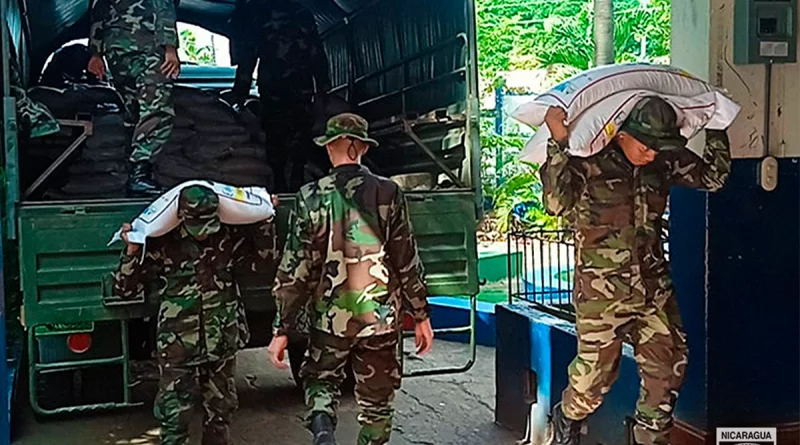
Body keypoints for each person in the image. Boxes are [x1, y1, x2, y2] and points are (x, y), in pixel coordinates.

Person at [540, 97, 731, 445]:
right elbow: (555, 204)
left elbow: (714, 177)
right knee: (592, 384)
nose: (651, 154)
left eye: (659, 147)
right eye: (646, 145)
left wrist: (718, 124)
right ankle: (567, 417)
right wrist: (560, 142)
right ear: (622, 133)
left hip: (653, 290)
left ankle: (648, 438)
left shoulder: (661, 161)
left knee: (668, 373)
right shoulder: (588, 162)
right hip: (602, 296)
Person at [267, 113, 434, 445]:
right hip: (381, 320)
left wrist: (281, 329)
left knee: (320, 382)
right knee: (378, 404)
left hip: (330, 319)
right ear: (360, 149)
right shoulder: (389, 193)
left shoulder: (310, 196)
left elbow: (296, 269)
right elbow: (406, 259)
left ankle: (324, 431)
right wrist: (421, 314)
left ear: (333, 148)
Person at [113, 185, 279, 445]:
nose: (203, 234)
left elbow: (262, 264)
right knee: (174, 413)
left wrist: (265, 223)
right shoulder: (163, 241)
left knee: (221, 410)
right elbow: (125, 290)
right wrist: (132, 252)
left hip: (221, 337)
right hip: (179, 342)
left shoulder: (228, 235)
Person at [228, 0, 331, 193]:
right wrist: (323, 88)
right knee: (299, 132)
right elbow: (317, 52)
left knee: (276, 134)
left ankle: (280, 182)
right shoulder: (302, 11)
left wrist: (240, 91)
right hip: (299, 85)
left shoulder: (257, 11)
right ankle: (296, 179)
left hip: (274, 85)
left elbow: (249, 55)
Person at [87, 0, 181, 197]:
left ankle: (130, 172)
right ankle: (139, 176)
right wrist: (170, 48)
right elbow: (164, 6)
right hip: (147, 44)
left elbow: (97, 10)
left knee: (134, 110)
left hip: (117, 50)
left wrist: (96, 53)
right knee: (157, 110)